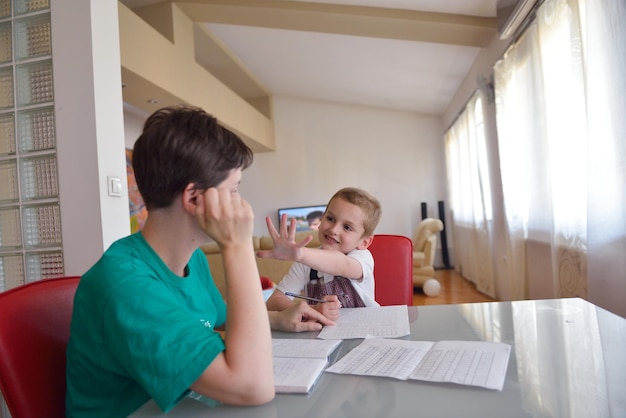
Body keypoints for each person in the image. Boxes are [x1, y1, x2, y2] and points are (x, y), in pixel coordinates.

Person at [65, 105, 332, 417]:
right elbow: (253, 387)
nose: (242, 204)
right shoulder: (126, 285)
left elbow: (218, 319)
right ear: (194, 199)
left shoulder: (194, 258)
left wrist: (277, 319)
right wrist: (237, 243)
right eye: (233, 190)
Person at [259, 187, 382, 320]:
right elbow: (273, 301)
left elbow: (341, 265)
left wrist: (302, 255)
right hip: (322, 336)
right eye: (330, 218)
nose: (334, 229)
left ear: (364, 242)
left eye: (347, 227)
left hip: (365, 331)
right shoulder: (306, 264)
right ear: (321, 219)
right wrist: (311, 310)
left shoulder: (362, 257)